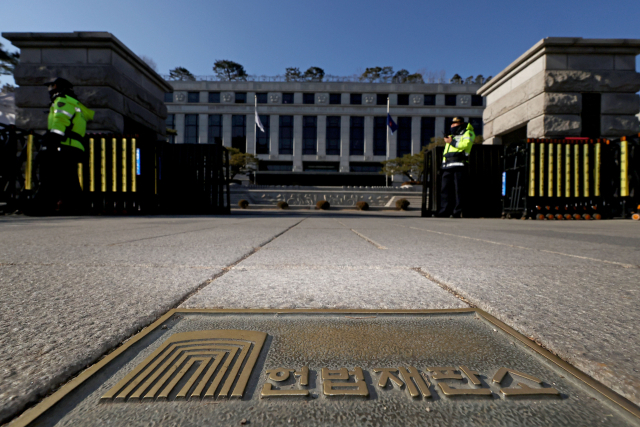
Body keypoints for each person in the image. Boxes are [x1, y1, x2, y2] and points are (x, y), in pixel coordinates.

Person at [39, 77, 94, 214]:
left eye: (51, 86)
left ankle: (44, 207)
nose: (49, 90)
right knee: (68, 178)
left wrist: (52, 138)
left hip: (63, 145)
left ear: (58, 87)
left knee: (50, 176)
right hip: (73, 146)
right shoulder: (75, 103)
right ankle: (76, 207)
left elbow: (61, 120)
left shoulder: (62, 101)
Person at [435, 117, 475, 218]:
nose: (452, 125)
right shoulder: (452, 135)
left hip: (459, 165)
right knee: (445, 190)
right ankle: (444, 211)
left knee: (459, 190)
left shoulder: (468, 133)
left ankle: (458, 212)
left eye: (455, 123)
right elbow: (446, 153)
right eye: (451, 123)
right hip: (447, 166)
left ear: (461, 123)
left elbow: (465, 145)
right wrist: (442, 166)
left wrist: (451, 142)